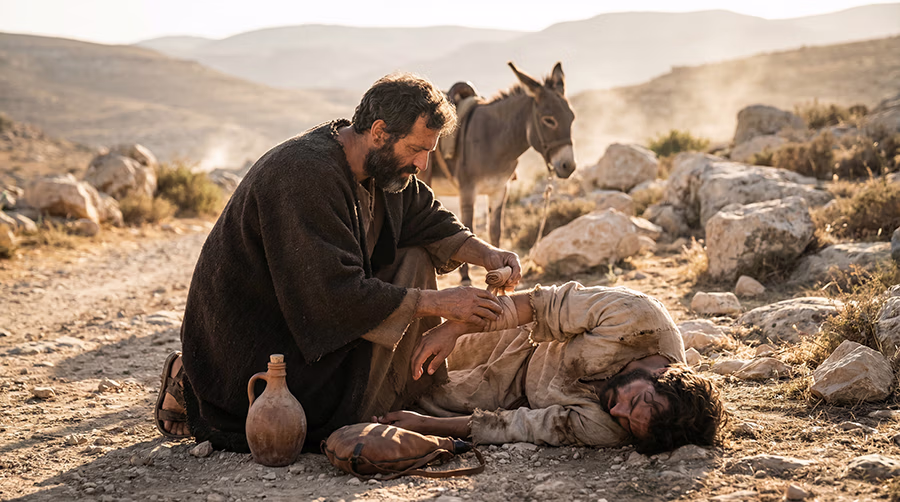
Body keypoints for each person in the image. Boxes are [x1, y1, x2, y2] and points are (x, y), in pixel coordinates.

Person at [154, 73, 523, 451]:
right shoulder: (303, 174)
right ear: (379, 132)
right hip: (261, 349)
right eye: (417, 149)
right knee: (329, 430)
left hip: (314, 326)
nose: (423, 164)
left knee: (414, 255)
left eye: (429, 151)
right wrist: (442, 303)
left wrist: (488, 254)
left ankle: (398, 395)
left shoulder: (384, 168)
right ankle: (190, 383)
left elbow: (429, 220)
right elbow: (332, 295)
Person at [376, 282, 724, 454]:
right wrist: (455, 327)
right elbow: (540, 305)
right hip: (515, 335)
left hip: (505, 392)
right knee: (411, 335)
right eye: (633, 402)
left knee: (393, 398)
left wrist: (429, 425)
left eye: (627, 422)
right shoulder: (636, 316)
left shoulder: (613, 429)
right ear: (663, 374)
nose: (616, 410)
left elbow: (521, 424)